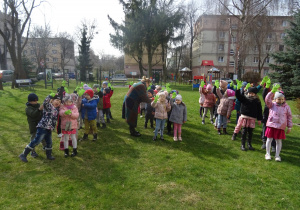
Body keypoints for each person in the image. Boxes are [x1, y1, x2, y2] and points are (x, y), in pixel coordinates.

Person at [19, 93, 62, 162]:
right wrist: (49, 96)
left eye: (59, 102)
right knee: (36, 141)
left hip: (49, 128)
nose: (58, 102)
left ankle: (49, 155)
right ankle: (23, 154)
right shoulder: (48, 106)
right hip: (42, 127)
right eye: (56, 100)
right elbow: (45, 102)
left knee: (49, 142)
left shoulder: (57, 109)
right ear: (52, 100)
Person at [231, 82, 263, 151]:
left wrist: (259, 119)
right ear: (248, 92)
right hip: (245, 117)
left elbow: (259, 110)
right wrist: (238, 89)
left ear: (255, 94)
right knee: (244, 131)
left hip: (252, 118)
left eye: (252, 93)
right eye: (250, 93)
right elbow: (238, 96)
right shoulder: (244, 99)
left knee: (250, 132)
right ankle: (243, 145)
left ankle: (249, 144)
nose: (251, 94)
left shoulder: (257, 101)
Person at [264, 88, 292, 161]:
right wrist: (271, 92)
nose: (281, 101)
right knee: (269, 139)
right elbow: (267, 99)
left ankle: (277, 155)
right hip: (271, 125)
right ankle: (267, 154)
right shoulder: (272, 105)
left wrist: (289, 127)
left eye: (282, 99)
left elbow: (289, 117)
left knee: (278, 141)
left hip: (280, 127)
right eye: (279, 99)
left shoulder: (287, 107)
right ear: (275, 99)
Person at [25, 93, 45, 158]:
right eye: (34, 101)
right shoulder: (28, 108)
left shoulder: (38, 106)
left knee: (43, 137)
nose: (36, 102)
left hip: (41, 125)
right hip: (34, 126)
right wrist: (39, 109)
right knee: (34, 138)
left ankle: (45, 147)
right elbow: (33, 114)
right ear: (29, 101)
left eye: (36, 101)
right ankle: (32, 151)